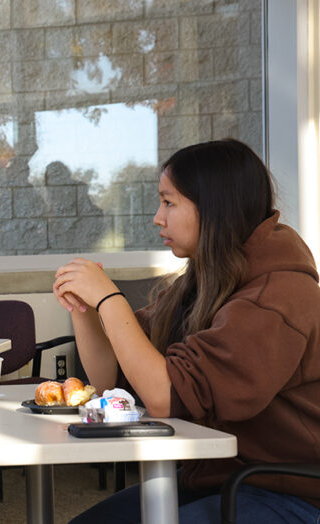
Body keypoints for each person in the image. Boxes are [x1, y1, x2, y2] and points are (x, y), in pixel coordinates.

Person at [52, 139, 320, 523]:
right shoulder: (205, 279)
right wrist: (85, 309)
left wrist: (110, 300)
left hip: (289, 492)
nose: (157, 217)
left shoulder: (277, 296)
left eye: (169, 202)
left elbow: (165, 396)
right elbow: (111, 376)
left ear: (214, 207)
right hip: (216, 476)